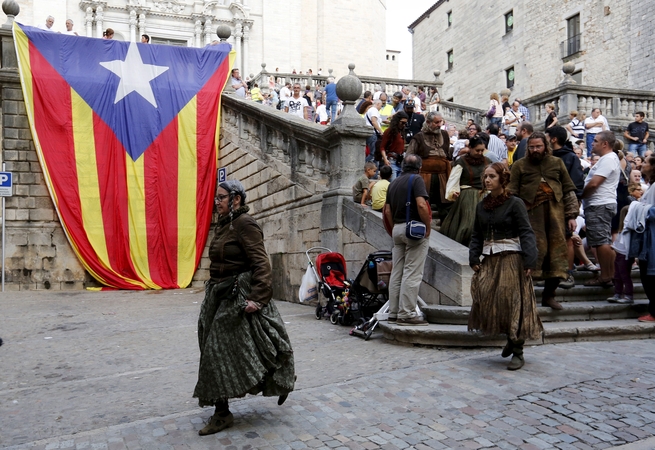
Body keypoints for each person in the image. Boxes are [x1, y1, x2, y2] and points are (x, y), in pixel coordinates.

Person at [194, 180, 295, 436]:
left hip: (236, 296)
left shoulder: (244, 224)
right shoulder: (224, 224)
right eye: (216, 198)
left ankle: (222, 413)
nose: (217, 202)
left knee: (216, 352)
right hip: (218, 293)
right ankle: (277, 380)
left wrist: (257, 298)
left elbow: (262, 264)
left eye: (222, 197)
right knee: (221, 346)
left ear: (236, 199)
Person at [469, 163, 542, 371]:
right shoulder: (482, 205)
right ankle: (510, 337)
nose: (487, 180)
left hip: (511, 259)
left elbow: (526, 231)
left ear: (502, 179)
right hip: (489, 260)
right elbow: (476, 234)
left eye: (492, 176)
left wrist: (530, 259)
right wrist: (473, 257)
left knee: (512, 303)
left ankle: (518, 349)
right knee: (488, 300)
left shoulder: (514, 203)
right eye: (485, 177)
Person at [509, 132, 579, 310]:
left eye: (538, 146)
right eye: (531, 147)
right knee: (532, 253)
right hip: (530, 217)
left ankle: (549, 296)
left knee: (556, 255)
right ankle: (524, 298)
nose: (534, 150)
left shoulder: (557, 163)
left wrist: (571, 216)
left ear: (545, 146)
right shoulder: (519, 165)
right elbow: (511, 193)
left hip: (555, 216)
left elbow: (569, 190)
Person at [382, 154, 431, 326]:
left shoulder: (393, 182)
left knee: (397, 272)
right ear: (419, 167)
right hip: (414, 230)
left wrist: (396, 226)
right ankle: (407, 313)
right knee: (412, 272)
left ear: (402, 166)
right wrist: (428, 227)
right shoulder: (416, 179)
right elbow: (421, 204)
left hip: (397, 229)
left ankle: (394, 313)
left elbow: (387, 211)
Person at [582, 131, 620, 287]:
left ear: (605, 144)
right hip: (600, 204)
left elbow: (594, 183)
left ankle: (606, 276)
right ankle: (609, 274)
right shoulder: (608, 159)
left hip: (600, 204)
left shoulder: (608, 159)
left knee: (601, 242)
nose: (592, 143)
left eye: (596, 141)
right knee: (601, 241)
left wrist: (581, 195)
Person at [441, 135, 489, 246]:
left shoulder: (488, 161)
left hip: (485, 194)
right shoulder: (462, 161)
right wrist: (453, 192)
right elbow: (454, 179)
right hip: (467, 195)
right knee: (468, 224)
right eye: (477, 150)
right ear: (470, 148)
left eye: (482, 150)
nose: (480, 153)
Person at [405, 111, 451, 218]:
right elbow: (409, 156)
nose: (439, 125)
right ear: (428, 122)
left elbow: (448, 154)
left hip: (443, 176)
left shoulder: (444, 134)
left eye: (441, 122)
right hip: (424, 176)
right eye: (436, 122)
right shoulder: (419, 137)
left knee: (446, 205)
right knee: (423, 202)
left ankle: (444, 228)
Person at [380, 111, 409, 180]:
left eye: (405, 123)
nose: (404, 125)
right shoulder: (389, 131)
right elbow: (382, 147)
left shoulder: (401, 132)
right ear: (397, 121)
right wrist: (385, 159)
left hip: (400, 161)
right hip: (392, 161)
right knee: (393, 184)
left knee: (398, 185)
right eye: (402, 123)